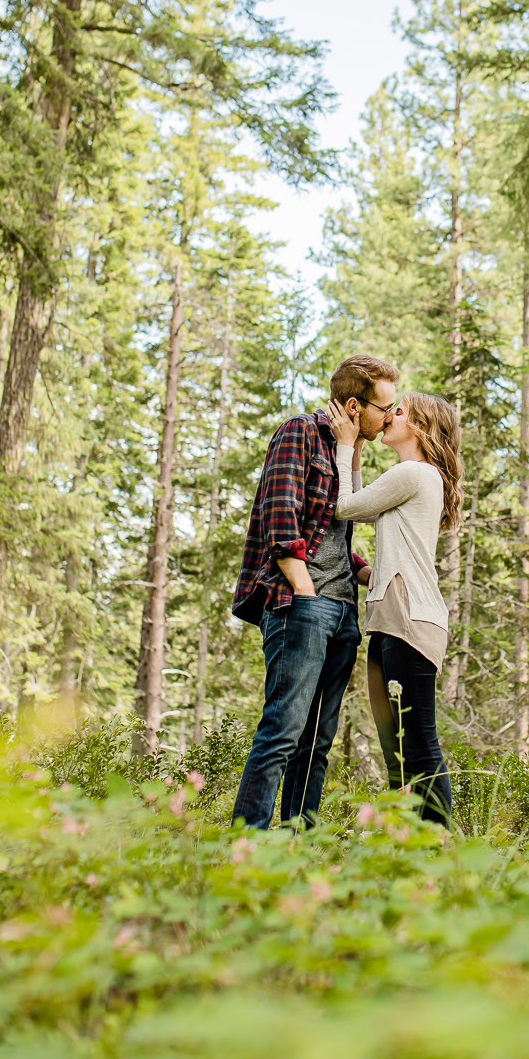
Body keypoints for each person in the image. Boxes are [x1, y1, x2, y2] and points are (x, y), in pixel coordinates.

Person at [229, 355, 400, 828]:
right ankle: (246, 845)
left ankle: (296, 845)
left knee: (317, 742)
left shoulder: (347, 449)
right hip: (302, 606)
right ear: (353, 404)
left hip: (343, 612)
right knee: (282, 731)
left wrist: (361, 573)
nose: (391, 416)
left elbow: (336, 527)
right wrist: (304, 592)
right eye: (385, 407)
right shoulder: (299, 432)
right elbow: (280, 518)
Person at [327, 392, 462, 828]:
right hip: (395, 617)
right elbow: (365, 504)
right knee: (397, 749)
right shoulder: (413, 477)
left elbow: (344, 507)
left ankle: (443, 849)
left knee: (418, 744)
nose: (387, 416)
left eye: (397, 412)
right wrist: (359, 447)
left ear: (420, 428)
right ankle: (413, 848)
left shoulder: (414, 472)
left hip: (408, 618)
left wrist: (346, 444)